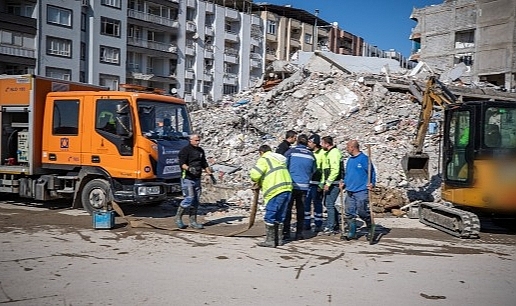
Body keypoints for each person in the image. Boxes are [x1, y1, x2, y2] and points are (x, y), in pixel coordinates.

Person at [250, 144, 293, 248]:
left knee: (271, 214)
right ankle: (279, 240)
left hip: (275, 189)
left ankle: (270, 241)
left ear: (261, 152)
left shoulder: (264, 159)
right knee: (280, 215)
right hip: (287, 188)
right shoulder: (279, 159)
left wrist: (254, 179)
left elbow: (255, 174)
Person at [176, 134, 214, 229]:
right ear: (190, 140)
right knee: (189, 198)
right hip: (187, 178)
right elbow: (182, 163)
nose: (198, 142)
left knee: (196, 201)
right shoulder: (185, 150)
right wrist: (189, 168)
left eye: (199, 140)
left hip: (197, 179)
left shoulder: (200, 151)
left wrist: (210, 174)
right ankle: (178, 218)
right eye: (196, 140)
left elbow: (204, 163)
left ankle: (193, 222)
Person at [340, 140, 376, 240]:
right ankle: (352, 232)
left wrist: (372, 183)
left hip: (361, 190)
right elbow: (348, 174)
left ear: (353, 147)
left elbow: (371, 173)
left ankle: (370, 227)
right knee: (349, 212)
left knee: (362, 211)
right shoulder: (350, 160)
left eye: (347, 147)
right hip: (350, 190)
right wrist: (344, 183)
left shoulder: (364, 159)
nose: (346, 149)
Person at [283, 134, 315, 241]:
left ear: (297, 142)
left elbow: (284, 166)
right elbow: (314, 170)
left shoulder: (291, 152)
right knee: (300, 210)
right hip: (304, 187)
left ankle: (286, 233)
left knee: (288, 209)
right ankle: (299, 233)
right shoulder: (311, 155)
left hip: (291, 185)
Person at [320, 136, 344, 235]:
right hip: (331, 182)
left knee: (329, 204)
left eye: (322, 143)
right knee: (327, 203)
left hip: (334, 182)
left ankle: (330, 227)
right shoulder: (329, 153)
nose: (321, 145)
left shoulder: (334, 153)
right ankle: (335, 225)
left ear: (327, 144)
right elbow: (325, 170)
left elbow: (335, 170)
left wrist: (328, 183)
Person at [304, 134, 325, 232]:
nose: (308, 144)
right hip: (308, 182)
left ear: (315, 143)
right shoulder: (308, 153)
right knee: (306, 203)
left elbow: (324, 170)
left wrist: (322, 183)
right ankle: (306, 223)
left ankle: (318, 223)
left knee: (317, 203)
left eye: (310, 142)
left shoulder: (322, 154)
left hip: (317, 183)